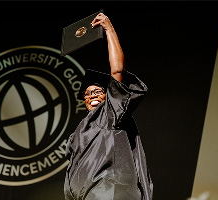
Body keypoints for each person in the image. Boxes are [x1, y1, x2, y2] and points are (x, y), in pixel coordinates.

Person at [64, 13, 153, 200]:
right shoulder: (79, 131)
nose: (92, 96)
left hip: (110, 191)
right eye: (88, 94)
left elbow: (117, 70)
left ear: (109, 95)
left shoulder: (110, 113)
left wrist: (108, 29)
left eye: (98, 92)